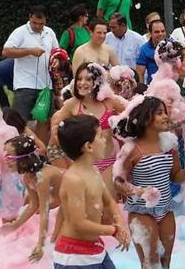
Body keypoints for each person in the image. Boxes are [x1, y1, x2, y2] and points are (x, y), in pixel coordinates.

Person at [113, 96, 185, 269]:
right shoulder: (131, 149)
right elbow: (118, 182)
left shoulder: (170, 145)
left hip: (165, 209)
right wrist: (139, 191)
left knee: (165, 262)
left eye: (165, 112)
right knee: (150, 264)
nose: (165, 116)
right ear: (145, 118)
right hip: (141, 211)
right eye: (159, 113)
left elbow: (175, 176)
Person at [55, 114, 130, 269]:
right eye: (101, 137)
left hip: (94, 247)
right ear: (88, 146)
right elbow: (79, 223)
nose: (105, 141)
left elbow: (108, 201)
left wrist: (120, 224)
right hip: (74, 256)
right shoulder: (74, 179)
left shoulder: (93, 171)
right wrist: (113, 230)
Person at [50, 63, 124, 194]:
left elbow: (134, 114)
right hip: (83, 165)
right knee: (88, 208)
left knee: (107, 209)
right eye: (79, 78)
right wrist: (70, 151)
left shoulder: (110, 101)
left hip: (108, 162)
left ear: (97, 81)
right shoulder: (72, 104)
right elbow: (56, 129)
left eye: (88, 79)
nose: (82, 83)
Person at [0, 135, 64, 262]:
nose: (5, 160)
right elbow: (34, 204)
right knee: (55, 240)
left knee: (58, 242)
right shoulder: (26, 175)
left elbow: (44, 212)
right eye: (5, 155)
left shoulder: (41, 178)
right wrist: (15, 225)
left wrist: (41, 244)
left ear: (24, 160)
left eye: (10, 157)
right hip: (59, 201)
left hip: (72, 198)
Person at [2, 5, 59, 142]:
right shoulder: (20, 32)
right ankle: (20, 150)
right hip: (24, 84)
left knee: (44, 120)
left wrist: (56, 60)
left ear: (46, 20)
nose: (38, 26)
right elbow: (6, 52)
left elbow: (56, 52)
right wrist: (29, 51)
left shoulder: (49, 32)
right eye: (35, 23)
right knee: (19, 121)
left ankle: (39, 152)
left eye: (41, 24)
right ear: (29, 18)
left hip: (45, 85)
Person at [136, 19, 166, 84]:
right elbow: (140, 74)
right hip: (153, 88)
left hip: (172, 87)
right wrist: (141, 90)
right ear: (150, 33)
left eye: (163, 31)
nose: (161, 34)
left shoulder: (172, 45)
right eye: (157, 32)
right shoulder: (144, 49)